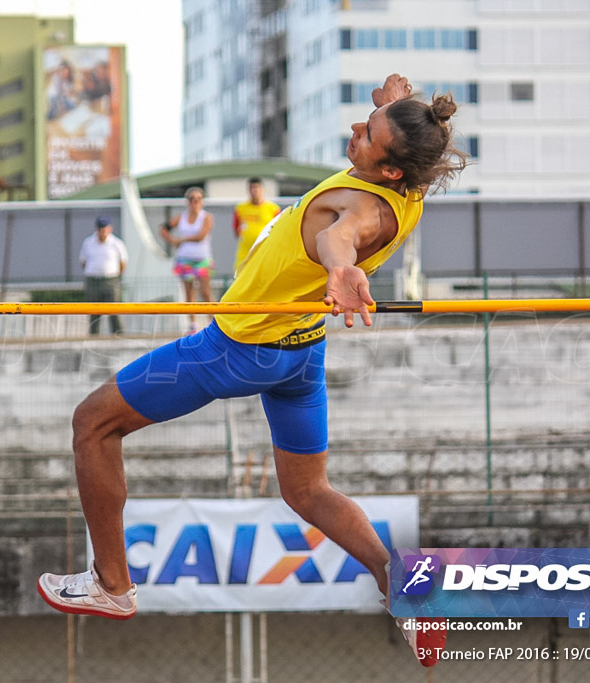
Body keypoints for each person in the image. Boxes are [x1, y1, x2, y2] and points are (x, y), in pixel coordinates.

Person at [38, 74, 466, 668]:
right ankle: (401, 589)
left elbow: (345, 234)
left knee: (93, 423)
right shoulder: (405, 178)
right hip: (300, 350)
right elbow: (391, 135)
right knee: (307, 490)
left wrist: (342, 269)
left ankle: (111, 584)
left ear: (390, 169)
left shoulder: (365, 207)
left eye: (367, 134)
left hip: (240, 348)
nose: (355, 130)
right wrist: (391, 102)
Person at [160, 187, 215, 333]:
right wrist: (172, 241)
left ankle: (212, 321)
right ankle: (193, 324)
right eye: (192, 199)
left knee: (205, 292)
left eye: (198, 199)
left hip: (202, 259)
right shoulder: (181, 217)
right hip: (185, 259)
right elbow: (163, 229)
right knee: (189, 293)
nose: (194, 202)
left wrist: (182, 239)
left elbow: (201, 236)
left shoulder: (206, 217)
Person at [79, 216, 128, 335]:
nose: (102, 232)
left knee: (114, 310)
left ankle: (118, 336)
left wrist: (115, 275)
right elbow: (83, 261)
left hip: (111, 280)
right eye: (100, 229)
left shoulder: (116, 243)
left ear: (109, 229)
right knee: (94, 311)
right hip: (93, 280)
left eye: (104, 228)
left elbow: (123, 262)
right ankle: (94, 336)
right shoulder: (88, 242)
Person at [232, 177, 281, 273]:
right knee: (241, 278)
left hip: (265, 252)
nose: (255, 191)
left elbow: (279, 229)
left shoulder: (273, 208)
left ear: (262, 189)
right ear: (248, 190)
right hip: (245, 253)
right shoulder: (240, 208)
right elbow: (236, 229)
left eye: (257, 188)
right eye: (252, 188)